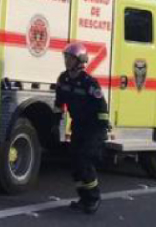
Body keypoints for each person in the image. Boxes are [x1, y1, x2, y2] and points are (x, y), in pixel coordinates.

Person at [55, 42, 109, 214]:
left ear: (80, 60)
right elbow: (59, 102)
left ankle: (93, 197)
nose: (67, 61)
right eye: (66, 57)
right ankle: (83, 198)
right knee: (74, 163)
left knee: (84, 161)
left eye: (70, 58)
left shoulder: (89, 83)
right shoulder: (63, 79)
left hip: (93, 128)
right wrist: (54, 122)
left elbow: (102, 107)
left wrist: (101, 130)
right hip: (78, 126)